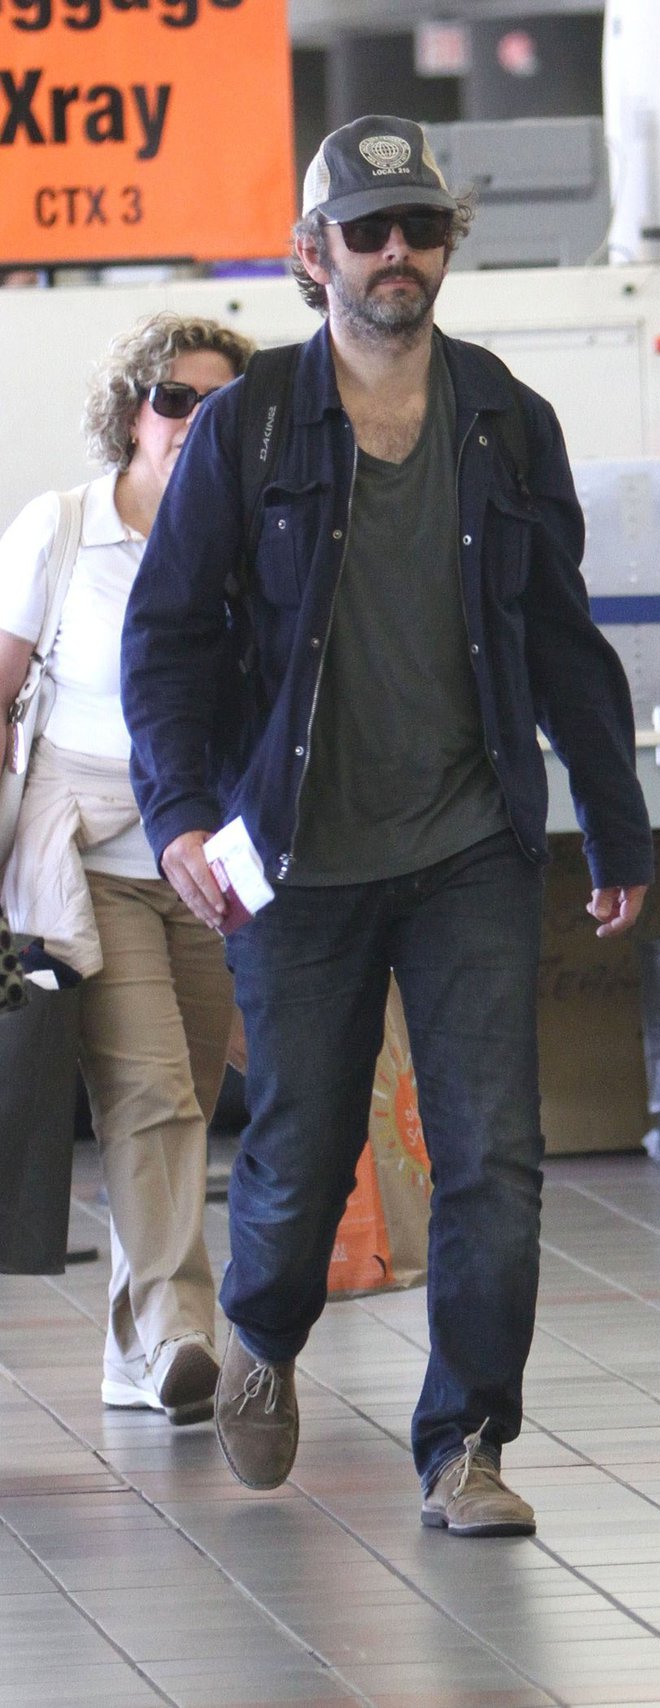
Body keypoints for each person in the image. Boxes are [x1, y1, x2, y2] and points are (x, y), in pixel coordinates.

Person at [121, 115, 654, 1535]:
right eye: (368, 231)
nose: (398, 252)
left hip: (470, 846)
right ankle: (266, 1338)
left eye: (420, 227)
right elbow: (165, 643)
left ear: (447, 244)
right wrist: (177, 810)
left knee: (494, 1153)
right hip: (295, 856)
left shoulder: (505, 420)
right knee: (299, 1150)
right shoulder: (247, 428)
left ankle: (465, 1444)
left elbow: (560, 639)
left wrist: (614, 823)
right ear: (314, 255)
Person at [0, 312, 253, 1423]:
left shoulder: (255, 535)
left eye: (218, 402)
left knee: (191, 1093)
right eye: (173, 398)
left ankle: (131, 1344)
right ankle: (178, 1332)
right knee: (148, 1093)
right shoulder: (60, 529)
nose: (193, 419)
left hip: (211, 855)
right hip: (90, 854)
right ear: (131, 411)